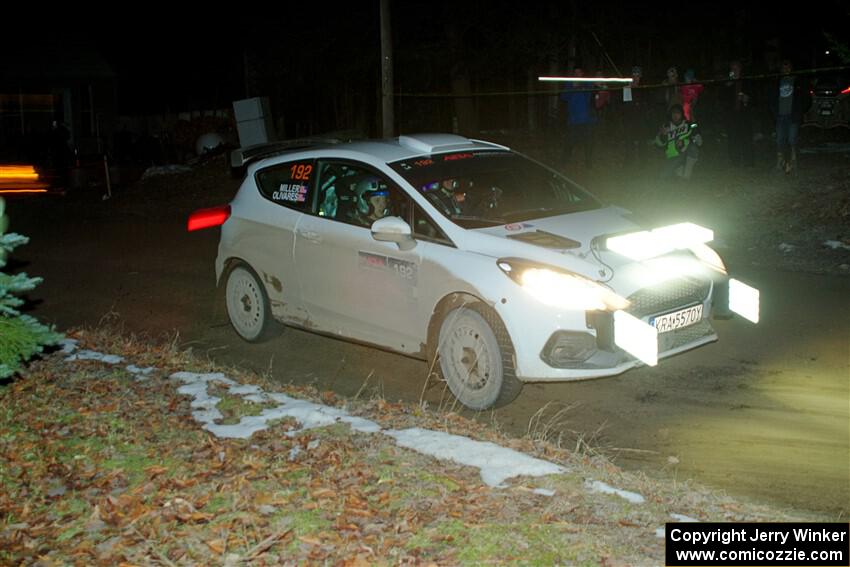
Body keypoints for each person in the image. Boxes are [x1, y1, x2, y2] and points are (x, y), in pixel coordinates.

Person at [769, 59, 810, 173]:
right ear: (781, 69)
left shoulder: (798, 82)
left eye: (788, 67)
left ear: (792, 68)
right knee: (779, 140)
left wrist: (800, 111)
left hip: (793, 116)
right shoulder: (776, 81)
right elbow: (771, 99)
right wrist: (774, 112)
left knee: (792, 140)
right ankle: (780, 162)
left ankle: (793, 162)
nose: (786, 69)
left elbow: (806, 98)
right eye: (784, 67)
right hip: (780, 116)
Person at [559, 66, 596, 169]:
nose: (576, 74)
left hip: (586, 119)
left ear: (582, 74)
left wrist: (581, 86)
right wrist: (572, 87)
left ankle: (589, 164)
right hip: (573, 120)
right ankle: (564, 163)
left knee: (588, 144)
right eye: (575, 72)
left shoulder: (587, 83)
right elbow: (563, 97)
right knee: (569, 143)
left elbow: (590, 93)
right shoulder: (569, 83)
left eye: (579, 72)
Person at [655, 104, 702, 180]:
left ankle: (686, 176)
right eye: (673, 113)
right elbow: (658, 144)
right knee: (664, 177)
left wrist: (684, 142)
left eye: (678, 113)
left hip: (685, 154)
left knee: (693, 148)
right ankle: (680, 171)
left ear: (682, 114)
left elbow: (699, 141)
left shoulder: (687, 125)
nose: (675, 115)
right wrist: (663, 135)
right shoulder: (666, 126)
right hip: (672, 157)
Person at [722, 60, 755, 167]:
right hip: (732, 115)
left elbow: (755, 97)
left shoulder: (746, 81)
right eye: (732, 69)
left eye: (736, 68)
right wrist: (728, 85)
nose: (734, 71)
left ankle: (748, 162)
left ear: (740, 69)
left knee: (746, 137)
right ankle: (734, 162)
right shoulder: (727, 82)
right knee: (733, 138)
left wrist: (747, 99)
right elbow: (721, 99)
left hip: (744, 114)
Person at [621, 65, 650, 167]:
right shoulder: (627, 88)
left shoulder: (644, 89)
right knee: (629, 142)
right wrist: (629, 89)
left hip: (641, 120)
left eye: (638, 75)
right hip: (630, 120)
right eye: (634, 75)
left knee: (642, 142)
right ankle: (629, 163)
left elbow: (646, 104)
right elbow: (626, 105)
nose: (636, 78)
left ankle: (643, 163)